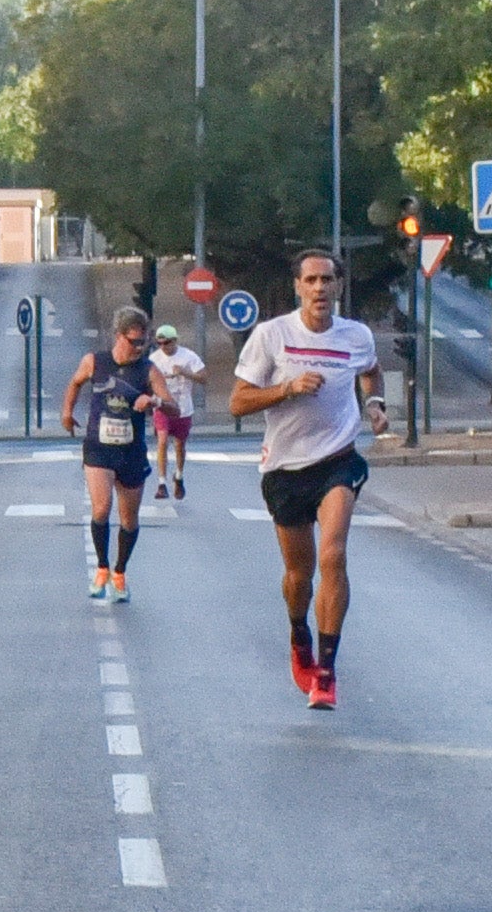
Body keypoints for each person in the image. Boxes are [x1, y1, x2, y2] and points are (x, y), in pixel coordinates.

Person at [229, 249, 385, 710]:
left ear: (339, 286)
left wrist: (374, 406)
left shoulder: (356, 336)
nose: (320, 288)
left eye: (328, 280)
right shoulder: (271, 335)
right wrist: (287, 388)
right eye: (311, 280)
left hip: (338, 459)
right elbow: (238, 402)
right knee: (300, 574)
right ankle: (299, 635)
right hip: (284, 468)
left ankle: (327, 672)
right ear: (298, 286)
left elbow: (371, 373)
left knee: (333, 555)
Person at [61, 306, 160, 602]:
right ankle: (102, 568)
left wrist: (152, 399)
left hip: (131, 452)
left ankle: (120, 572)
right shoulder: (95, 362)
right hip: (98, 448)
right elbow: (75, 383)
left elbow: (172, 405)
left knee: (129, 520)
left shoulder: (148, 369)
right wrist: (67, 412)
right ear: (118, 337)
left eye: (144, 343)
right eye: (134, 342)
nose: (139, 348)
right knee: (101, 509)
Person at [149, 320, 206, 500]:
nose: (163, 346)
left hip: (183, 408)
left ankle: (179, 476)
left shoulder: (188, 356)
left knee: (180, 445)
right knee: (163, 440)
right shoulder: (154, 359)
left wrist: (184, 372)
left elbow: (204, 378)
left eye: (167, 342)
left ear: (175, 341)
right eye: (159, 343)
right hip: (163, 405)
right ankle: (161, 483)